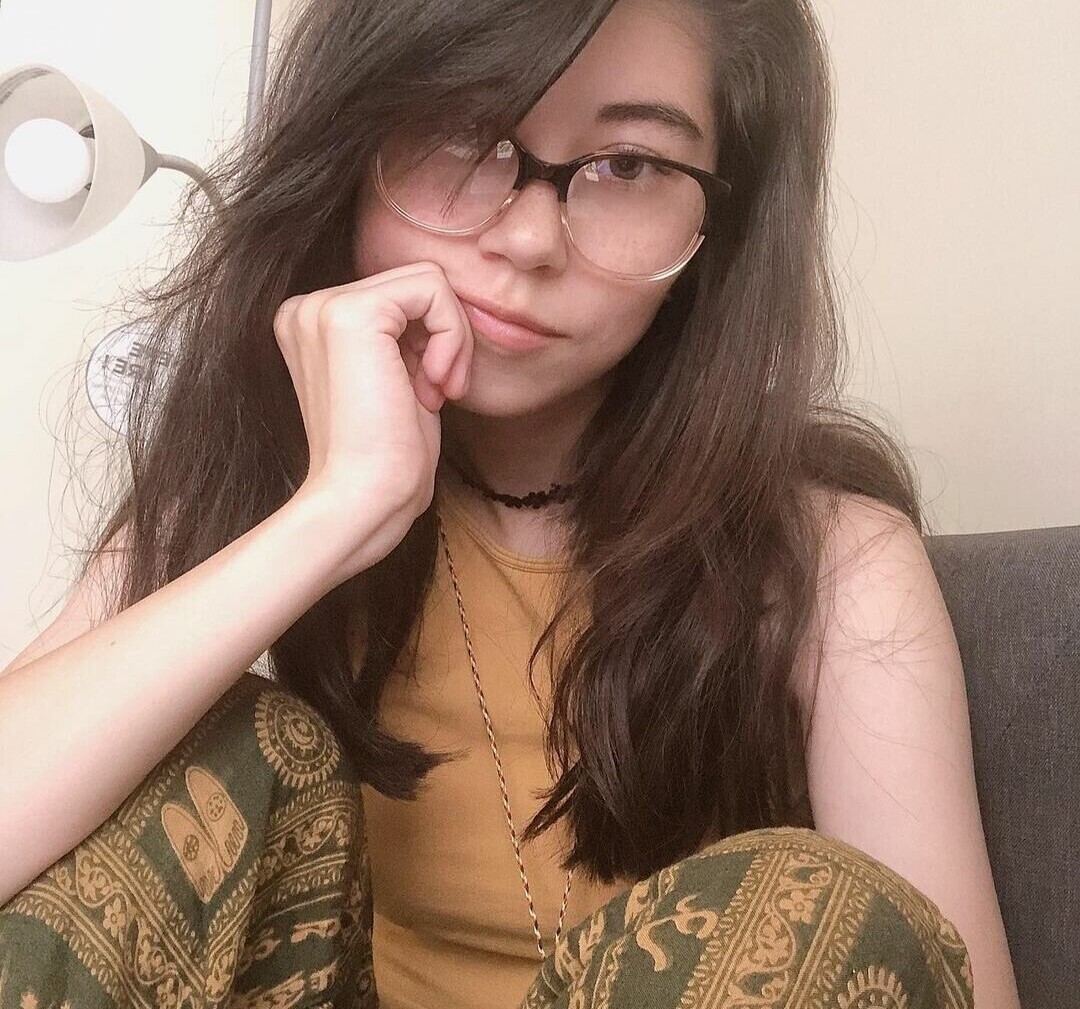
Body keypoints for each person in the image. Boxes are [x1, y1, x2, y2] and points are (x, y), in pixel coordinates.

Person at [0, 0, 1021, 1006]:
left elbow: (928, 973)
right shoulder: (268, 480)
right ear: (351, 145)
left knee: (821, 904)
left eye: (631, 166)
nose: (530, 236)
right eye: (463, 129)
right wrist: (335, 510)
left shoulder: (835, 561)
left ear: (719, 222)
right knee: (231, 753)